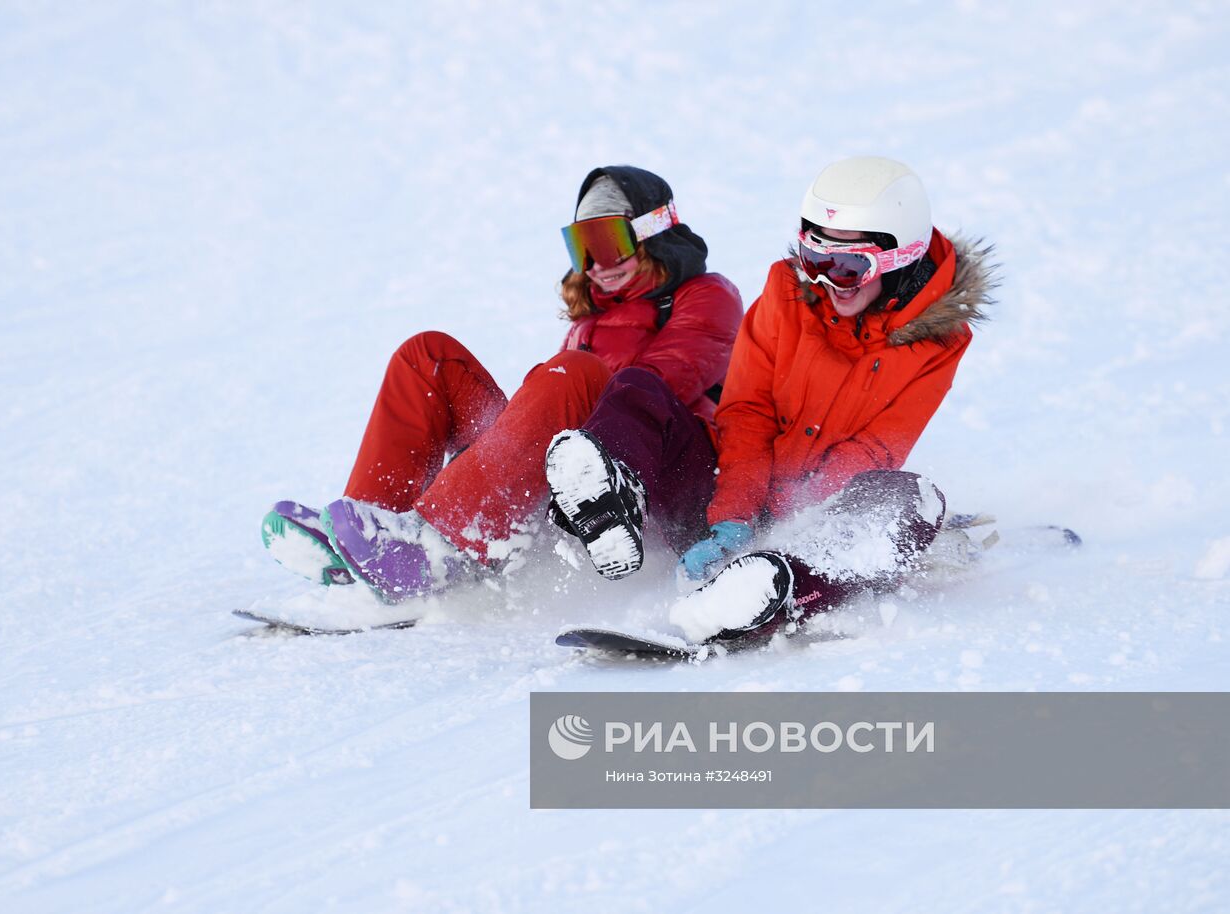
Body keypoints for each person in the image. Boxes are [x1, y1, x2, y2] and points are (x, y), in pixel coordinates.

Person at [545, 156, 992, 642]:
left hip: (806, 526)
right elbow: (746, 412)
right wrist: (734, 516)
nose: (823, 281)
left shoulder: (937, 344)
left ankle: (769, 590)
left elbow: (876, 450)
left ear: (900, 257)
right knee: (639, 388)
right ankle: (612, 498)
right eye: (814, 259)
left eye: (844, 267)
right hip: (722, 498)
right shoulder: (785, 294)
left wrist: (782, 524)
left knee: (909, 496)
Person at [264, 166, 742, 601]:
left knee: (575, 374)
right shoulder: (592, 318)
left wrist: (549, 403)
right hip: (568, 471)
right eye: (583, 249)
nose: (596, 264)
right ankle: (371, 536)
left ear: (652, 235)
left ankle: (434, 548)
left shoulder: (706, 295)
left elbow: (648, 392)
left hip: (654, 482)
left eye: (608, 242)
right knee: (427, 355)